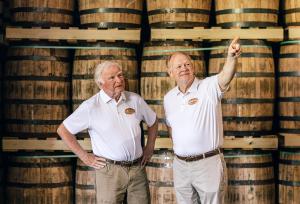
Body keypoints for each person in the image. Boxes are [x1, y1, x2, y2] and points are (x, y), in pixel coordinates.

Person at [57, 61, 158, 204]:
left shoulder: (135, 100)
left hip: (137, 168)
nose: (119, 80)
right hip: (110, 171)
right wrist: (85, 156)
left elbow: (153, 121)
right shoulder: (91, 106)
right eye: (112, 78)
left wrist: (150, 147)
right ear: (100, 83)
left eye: (120, 75)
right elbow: (63, 130)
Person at [163, 37, 241, 204]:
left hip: (208, 163)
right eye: (178, 66)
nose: (184, 68)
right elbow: (171, 127)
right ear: (170, 73)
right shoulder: (169, 98)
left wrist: (231, 57)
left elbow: (226, 75)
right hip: (181, 166)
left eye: (187, 64)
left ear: (193, 67)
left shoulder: (208, 87)